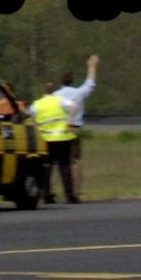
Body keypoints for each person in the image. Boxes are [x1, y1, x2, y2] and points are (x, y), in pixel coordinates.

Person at [29, 79, 79, 203]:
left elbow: (30, 117)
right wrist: (70, 121)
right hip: (62, 138)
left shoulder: (36, 104)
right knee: (65, 167)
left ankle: (47, 194)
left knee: (46, 167)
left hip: (45, 139)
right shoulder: (59, 100)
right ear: (54, 90)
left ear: (43, 90)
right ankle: (69, 195)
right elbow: (74, 106)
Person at [54, 55, 99, 193]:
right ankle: (75, 190)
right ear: (72, 81)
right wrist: (92, 66)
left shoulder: (55, 95)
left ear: (61, 82)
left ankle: (53, 190)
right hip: (75, 128)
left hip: (59, 129)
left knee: (57, 161)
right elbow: (90, 83)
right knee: (75, 161)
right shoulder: (78, 93)